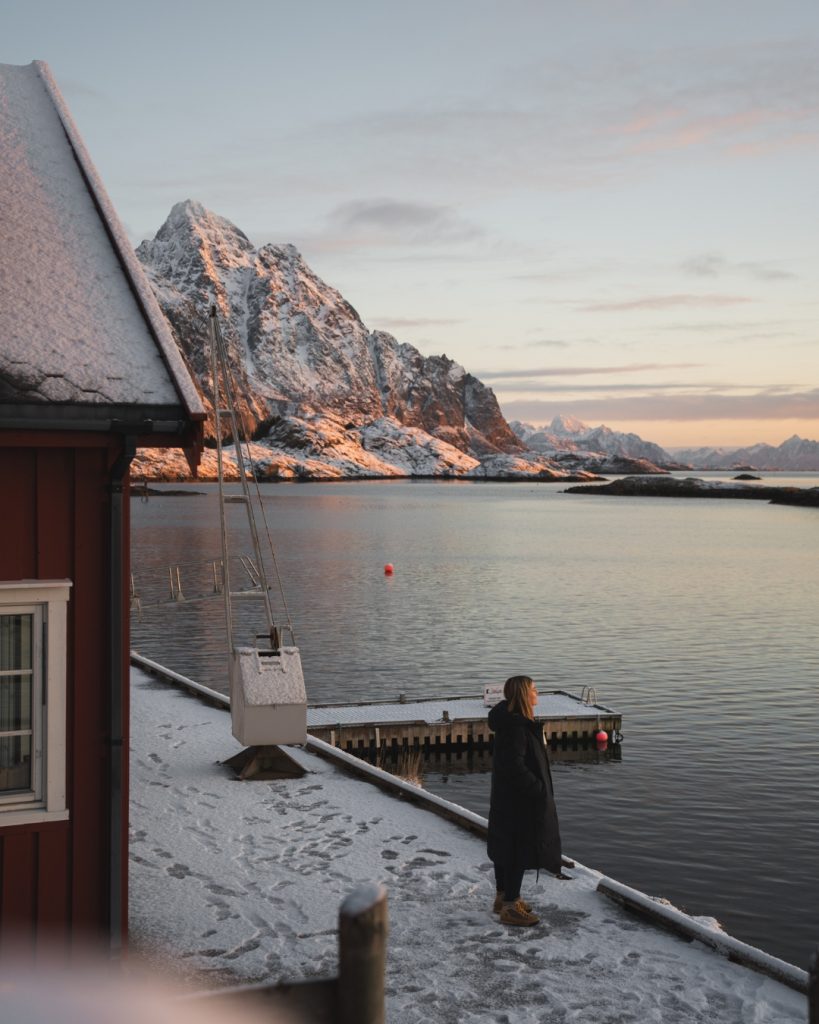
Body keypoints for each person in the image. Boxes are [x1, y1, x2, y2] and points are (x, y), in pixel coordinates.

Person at [487, 675, 569, 926]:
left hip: (506, 798)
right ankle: (510, 906)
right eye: (534, 689)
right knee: (517, 851)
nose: (537, 693)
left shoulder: (510, 723)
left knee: (505, 847)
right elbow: (514, 765)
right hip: (519, 801)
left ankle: (504, 897)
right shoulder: (516, 728)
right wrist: (538, 789)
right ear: (524, 694)